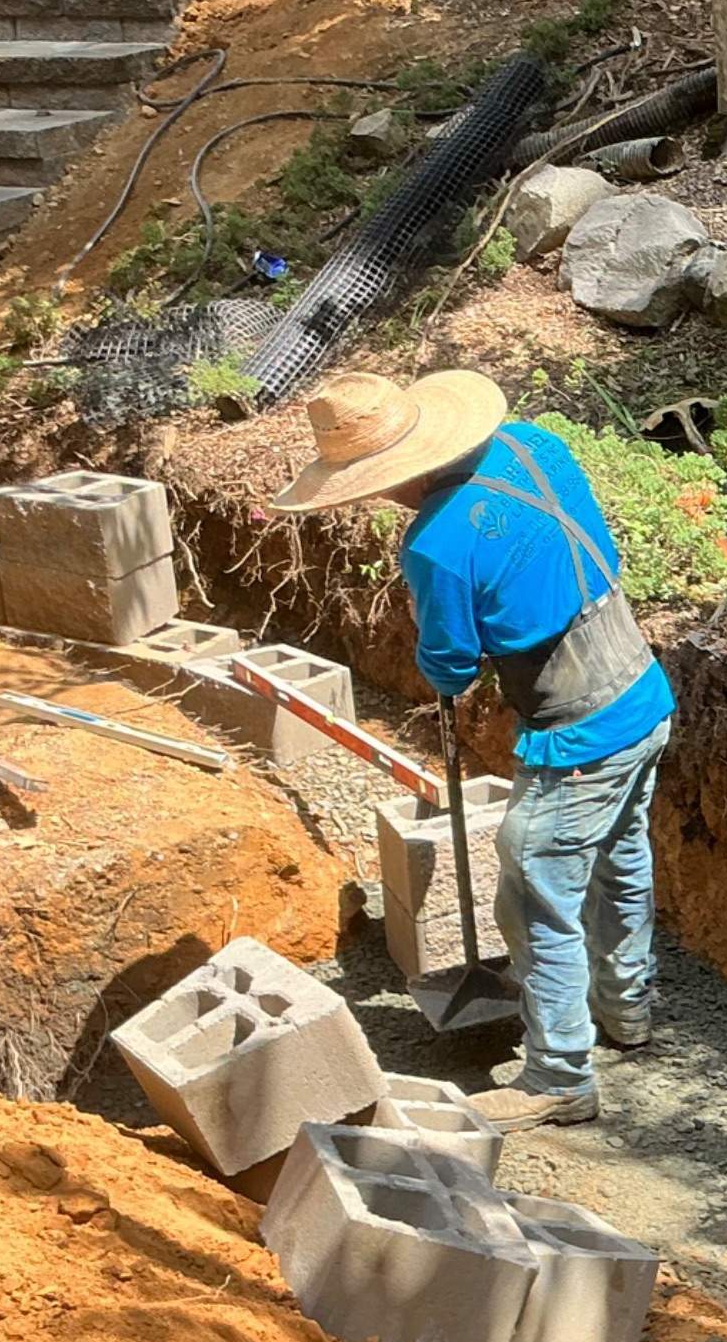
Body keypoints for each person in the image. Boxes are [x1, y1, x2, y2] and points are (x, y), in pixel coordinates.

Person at [275, 370, 675, 1129]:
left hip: (579, 731)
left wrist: (441, 668)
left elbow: (452, 663)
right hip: (643, 693)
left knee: (533, 893)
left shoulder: (435, 544)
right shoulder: (532, 446)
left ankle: (559, 1077)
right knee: (621, 854)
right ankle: (627, 1010)